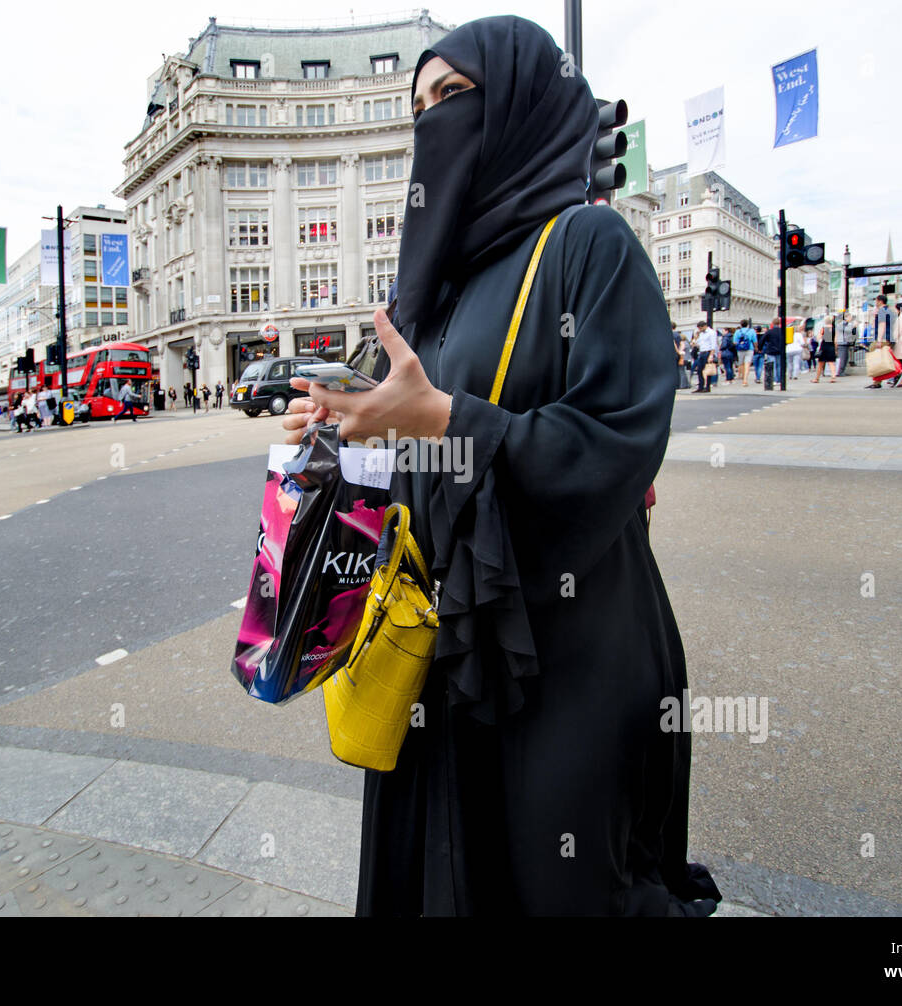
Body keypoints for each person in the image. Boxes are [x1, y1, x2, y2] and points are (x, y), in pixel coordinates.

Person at [282, 15, 720, 918]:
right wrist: (343, 429)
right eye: (418, 109)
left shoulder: (587, 247)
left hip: (565, 644)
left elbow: (618, 437)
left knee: (556, 880)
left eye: (452, 96)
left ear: (521, 106)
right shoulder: (426, 290)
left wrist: (439, 417)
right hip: (436, 647)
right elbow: (398, 453)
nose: (432, 123)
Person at [691, 320, 718, 393]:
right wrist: (696, 337)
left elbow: (713, 345)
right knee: (700, 370)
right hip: (701, 352)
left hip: (708, 352)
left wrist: (711, 355)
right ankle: (701, 386)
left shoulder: (711, 333)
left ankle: (707, 387)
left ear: (705, 326)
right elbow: (696, 344)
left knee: (707, 370)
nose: (700, 330)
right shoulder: (701, 334)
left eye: (700, 328)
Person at [810, 315, 838, 383]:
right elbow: (835, 341)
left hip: (824, 347)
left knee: (820, 364)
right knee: (831, 363)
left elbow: (818, 338)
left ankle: (817, 378)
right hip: (831, 347)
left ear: (825, 322)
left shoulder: (824, 329)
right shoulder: (834, 329)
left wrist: (819, 335)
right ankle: (833, 377)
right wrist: (836, 349)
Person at [734, 321, 756, 387]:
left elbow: (735, 342)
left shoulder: (737, 331)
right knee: (747, 364)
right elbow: (755, 341)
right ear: (747, 325)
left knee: (741, 363)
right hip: (749, 348)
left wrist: (740, 344)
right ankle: (745, 380)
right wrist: (756, 348)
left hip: (740, 349)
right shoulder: (752, 331)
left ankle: (742, 376)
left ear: (741, 325)